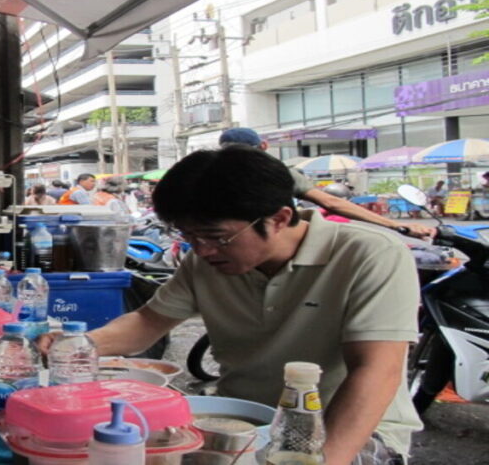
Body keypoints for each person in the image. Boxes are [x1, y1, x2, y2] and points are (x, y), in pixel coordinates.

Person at [38, 146, 421, 464]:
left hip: (348, 431)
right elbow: (148, 321)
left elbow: (376, 372)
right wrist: (79, 346)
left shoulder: (370, 255)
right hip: (240, 418)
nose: (201, 250)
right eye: (188, 235)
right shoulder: (203, 261)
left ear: (279, 218)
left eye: (215, 236)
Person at [218, 127, 434, 239]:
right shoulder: (274, 172)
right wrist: (395, 224)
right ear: (264, 146)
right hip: (275, 247)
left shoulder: (208, 177)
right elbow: (332, 203)